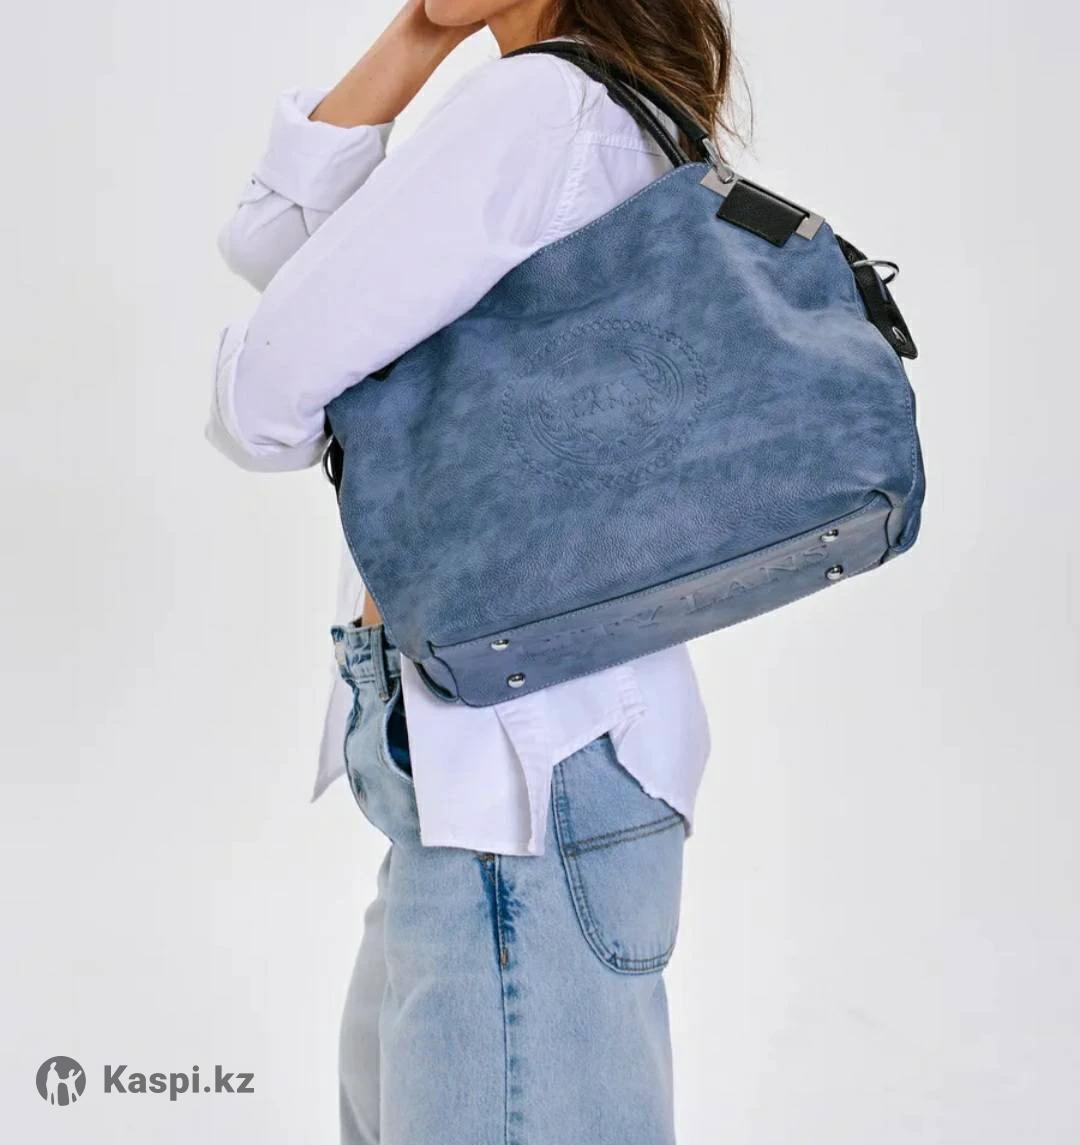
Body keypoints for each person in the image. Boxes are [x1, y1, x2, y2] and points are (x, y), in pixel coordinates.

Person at [208, 1, 738, 1140]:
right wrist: (420, 34)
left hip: (519, 779)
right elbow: (269, 242)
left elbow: (262, 395)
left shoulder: (539, 108)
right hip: (519, 761)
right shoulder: (607, 108)